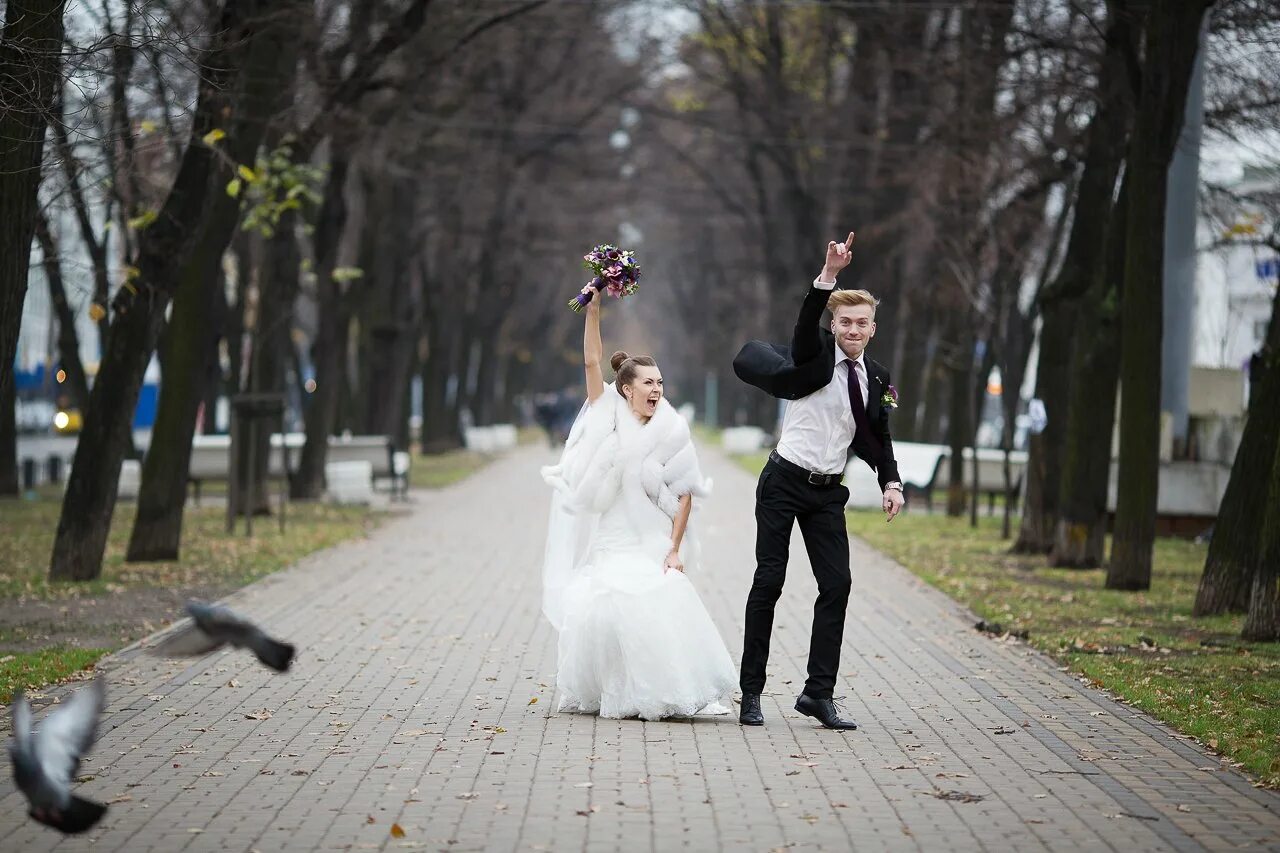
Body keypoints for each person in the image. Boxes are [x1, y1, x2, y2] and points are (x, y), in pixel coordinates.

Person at [539, 286, 736, 720]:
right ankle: (619, 689)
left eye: (660, 382)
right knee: (607, 606)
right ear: (626, 389)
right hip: (613, 537)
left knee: (662, 597)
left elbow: (684, 494)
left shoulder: (672, 429)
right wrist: (593, 313)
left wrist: (673, 549)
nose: (657, 389)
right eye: (648, 382)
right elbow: (592, 361)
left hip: (652, 538)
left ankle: (671, 690)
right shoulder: (607, 409)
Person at [732, 232, 904, 730]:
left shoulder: (877, 376)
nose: (853, 329)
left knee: (838, 584)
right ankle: (751, 692)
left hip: (828, 492)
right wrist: (828, 275)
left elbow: (879, 435)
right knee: (770, 581)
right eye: (844, 321)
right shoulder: (815, 357)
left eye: (861, 323)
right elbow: (805, 323)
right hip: (784, 482)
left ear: (872, 329)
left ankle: (817, 694)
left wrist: (890, 482)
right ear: (835, 325)